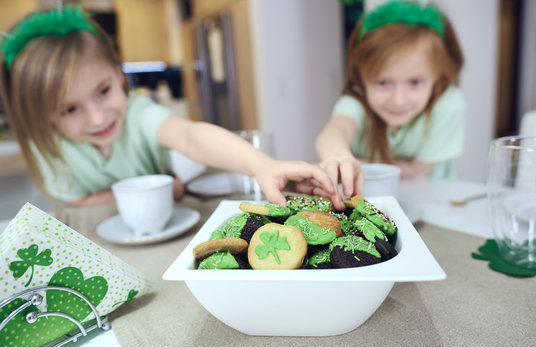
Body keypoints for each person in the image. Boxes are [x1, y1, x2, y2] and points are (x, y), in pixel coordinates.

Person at [0, 6, 344, 209]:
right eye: (69, 110)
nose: (97, 116)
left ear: (119, 76)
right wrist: (163, 188)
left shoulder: (137, 114)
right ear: (42, 115)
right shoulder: (46, 148)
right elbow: (77, 204)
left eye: (103, 91)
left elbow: (191, 136)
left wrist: (264, 165)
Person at [315, 0, 466, 197]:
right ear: (362, 78)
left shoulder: (448, 104)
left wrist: (360, 165)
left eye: (415, 82)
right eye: (383, 83)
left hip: (435, 202)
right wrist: (338, 156)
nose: (399, 101)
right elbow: (336, 130)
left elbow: (420, 169)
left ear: (437, 77)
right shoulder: (356, 103)